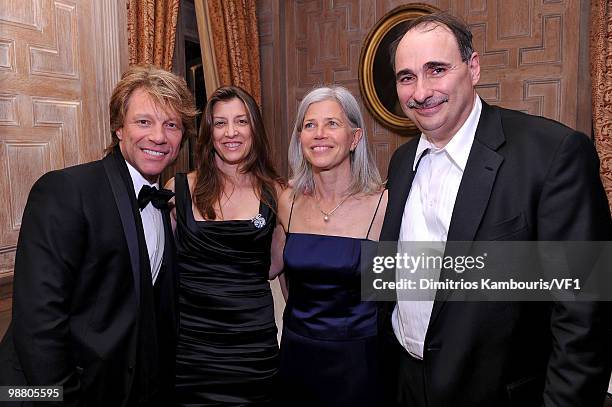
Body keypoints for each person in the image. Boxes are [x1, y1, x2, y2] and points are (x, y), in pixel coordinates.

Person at [379, 11, 612, 407]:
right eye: (407, 77)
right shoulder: (401, 163)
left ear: (473, 68)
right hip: (406, 384)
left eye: (436, 70)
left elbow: (585, 314)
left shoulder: (552, 153)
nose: (421, 91)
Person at [0, 65, 198, 406]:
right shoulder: (66, 190)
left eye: (172, 125)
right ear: (119, 128)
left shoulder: (165, 203)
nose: (158, 137)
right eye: (144, 122)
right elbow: (39, 324)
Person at [166, 85, 284, 406]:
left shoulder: (277, 193)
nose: (231, 132)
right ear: (209, 132)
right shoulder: (178, 190)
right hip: (192, 352)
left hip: (253, 352)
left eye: (241, 121)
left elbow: (277, 265)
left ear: (255, 129)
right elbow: (159, 269)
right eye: (220, 123)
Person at [277, 85, 388, 407]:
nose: (319, 134)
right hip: (297, 352)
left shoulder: (384, 204)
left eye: (332, 124)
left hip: (359, 361)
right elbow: (285, 274)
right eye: (309, 125)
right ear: (300, 138)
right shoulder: (289, 201)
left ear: (354, 138)